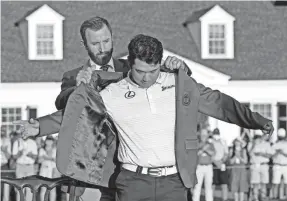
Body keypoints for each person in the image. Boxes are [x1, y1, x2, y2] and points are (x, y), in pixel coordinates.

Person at [15, 34, 274, 201]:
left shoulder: (179, 84)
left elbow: (219, 104)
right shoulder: (113, 92)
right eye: (139, 71)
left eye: (152, 71)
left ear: (160, 63)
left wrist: (255, 120)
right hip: (133, 183)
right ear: (131, 62)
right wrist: (38, 126)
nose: (146, 78)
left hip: (174, 182)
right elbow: (75, 114)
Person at [55, 16, 130, 111]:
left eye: (106, 41)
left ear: (112, 38)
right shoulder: (72, 76)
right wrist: (79, 89)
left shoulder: (131, 68)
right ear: (84, 44)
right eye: (95, 44)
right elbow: (60, 104)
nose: (102, 49)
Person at [248, 131, 273, 201]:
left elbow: (270, 155)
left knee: (264, 183)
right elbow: (249, 154)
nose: (259, 138)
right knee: (255, 183)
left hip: (264, 165)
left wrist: (261, 154)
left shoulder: (267, 144)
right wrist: (253, 145)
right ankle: (255, 198)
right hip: (255, 165)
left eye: (259, 137)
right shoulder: (251, 144)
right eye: (257, 137)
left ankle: (263, 197)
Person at [12, 135, 38, 201]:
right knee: (20, 188)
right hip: (20, 166)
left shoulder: (33, 142)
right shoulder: (17, 142)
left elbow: (35, 157)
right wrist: (20, 152)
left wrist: (29, 154)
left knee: (29, 189)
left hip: (30, 166)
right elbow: (14, 157)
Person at [193, 129, 215, 201]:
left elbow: (212, 153)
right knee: (197, 187)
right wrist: (203, 148)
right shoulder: (197, 143)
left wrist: (206, 149)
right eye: (202, 135)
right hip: (199, 167)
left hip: (208, 167)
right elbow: (195, 154)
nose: (203, 136)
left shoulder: (210, 144)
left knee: (208, 187)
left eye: (205, 135)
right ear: (200, 135)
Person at [211, 128, 229, 201]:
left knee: (224, 184)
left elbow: (226, 153)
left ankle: (224, 199)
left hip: (222, 164)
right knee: (212, 184)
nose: (216, 135)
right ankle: (210, 199)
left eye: (217, 134)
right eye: (215, 134)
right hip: (213, 164)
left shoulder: (223, 141)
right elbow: (210, 154)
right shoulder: (210, 142)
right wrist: (216, 162)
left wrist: (221, 162)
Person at [229, 137, 249, 201]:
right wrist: (235, 156)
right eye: (236, 141)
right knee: (235, 187)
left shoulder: (243, 150)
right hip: (234, 170)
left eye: (238, 141)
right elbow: (230, 162)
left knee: (242, 187)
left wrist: (239, 157)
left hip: (242, 170)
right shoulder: (232, 150)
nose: (237, 143)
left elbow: (245, 161)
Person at [38, 137, 57, 201]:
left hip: (52, 171)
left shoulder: (55, 150)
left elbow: (55, 160)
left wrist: (45, 157)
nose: (49, 142)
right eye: (48, 140)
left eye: (51, 141)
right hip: (43, 171)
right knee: (43, 189)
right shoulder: (41, 149)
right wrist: (50, 158)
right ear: (45, 141)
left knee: (52, 189)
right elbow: (39, 160)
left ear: (53, 142)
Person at [271, 128, 287, 200]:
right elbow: (271, 156)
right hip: (277, 165)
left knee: (286, 183)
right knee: (275, 183)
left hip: (285, 166)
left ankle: (284, 196)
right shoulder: (274, 144)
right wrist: (277, 152)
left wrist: (282, 153)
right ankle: (275, 197)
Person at [1, 126, 12, 201]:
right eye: (1, 130)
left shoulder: (8, 141)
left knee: (6, 189)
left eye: (4, 130)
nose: (2, 131)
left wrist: (4, 150)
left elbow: (8, 156)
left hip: (4, 166)